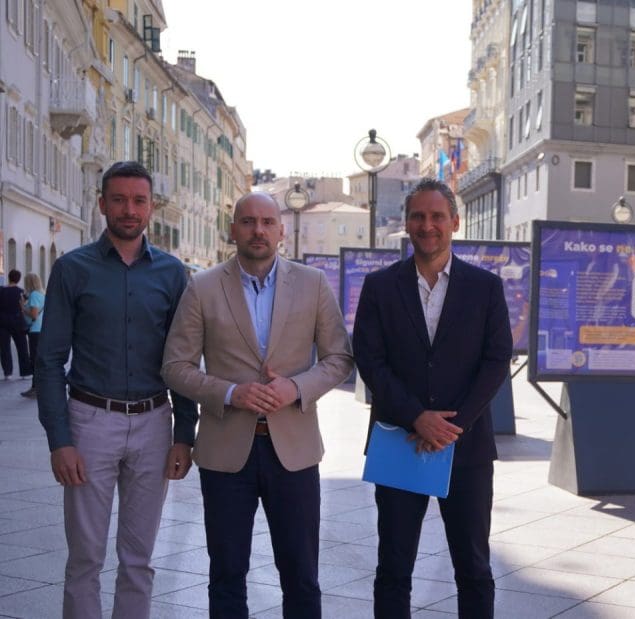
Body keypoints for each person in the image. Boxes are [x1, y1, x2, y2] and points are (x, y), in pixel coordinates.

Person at [161, 191, 353, 618]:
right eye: (248, 222)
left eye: (267, 222)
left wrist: (296, 388)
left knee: (301, 575)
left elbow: (339, 358)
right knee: (227, 575)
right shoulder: (203, 287)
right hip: (226, 453)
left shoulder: (312, 284)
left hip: (294, 452)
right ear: (233, 230)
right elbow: (175, 366)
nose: (258, 230)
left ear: (281, 230)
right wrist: (231, 393)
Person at [36, 161, 198, 619]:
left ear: (151, 207)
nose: (129, 209)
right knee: (85, 558)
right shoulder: (72, 269)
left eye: (139, 200)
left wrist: (184, 435)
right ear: (102, 203)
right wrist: (60, 441)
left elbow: (183, 361)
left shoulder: (173, 274)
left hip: (154, 423)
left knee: (139, 559)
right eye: (120, 199)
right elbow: (48, 361)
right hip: (90, 423)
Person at [354, 178, 513, 618]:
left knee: (474, 568)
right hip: (398, 441)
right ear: (407, 223)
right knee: (393, 568)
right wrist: (416, 417)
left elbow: (496, 360)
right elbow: (370, 360)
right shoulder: (379, 287)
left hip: (465, 448)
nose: (428, 225)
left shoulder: (485, 287)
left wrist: (450, 426)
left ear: (454, 222)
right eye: (419, 216)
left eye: (437, 216)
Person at [0, 268, 31, 380]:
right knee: (22, 347)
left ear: (9, 277)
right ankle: (25, 373)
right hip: (17, 321)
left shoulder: (1, 290)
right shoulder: (21, 292)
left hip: (3, 322)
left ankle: (7, 373)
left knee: (4, 348)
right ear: (18, 279)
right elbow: (25, 305)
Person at [20, 272, 45, 398]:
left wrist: (22, 307)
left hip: (35, 330)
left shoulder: (34, 295)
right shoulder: (41, 294)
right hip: (41, 330)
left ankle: (36, 388)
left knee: (35, 360)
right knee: (37, 360)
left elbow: (34, 315)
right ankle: (37, 387)